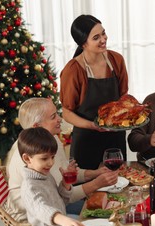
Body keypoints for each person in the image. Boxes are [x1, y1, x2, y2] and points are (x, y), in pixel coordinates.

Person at [5, 98, 118, 221]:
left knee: (110, 208)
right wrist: (97, 183)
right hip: (35, 219)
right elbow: (63, 196)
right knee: (101, 217)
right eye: (53, 117)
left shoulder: (50, 139)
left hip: (57, 203)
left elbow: (66, 174)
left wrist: (95, 173)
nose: (60, 119)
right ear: (37, 126)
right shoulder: (32, 157)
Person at [60, 14, 129, 169]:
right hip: (86, 141)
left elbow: (123, 96)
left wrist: (127, 114)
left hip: (115, 138)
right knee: (89, 190)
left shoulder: (116, 60)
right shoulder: (73, 70)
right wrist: (93, 125)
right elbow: (67, 112)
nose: (103, 39)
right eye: (96, 37)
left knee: (118, 185)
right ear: (83, 43)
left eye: (103, 33)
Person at [18, 127, 85, 226]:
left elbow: (60, 201)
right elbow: (42, 209)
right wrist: (63, 220)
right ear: (27, 158)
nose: (51, 162)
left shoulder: (45, 175)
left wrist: (66, 183)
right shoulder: (29, 187)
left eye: (52, 157)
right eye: (44, 158)